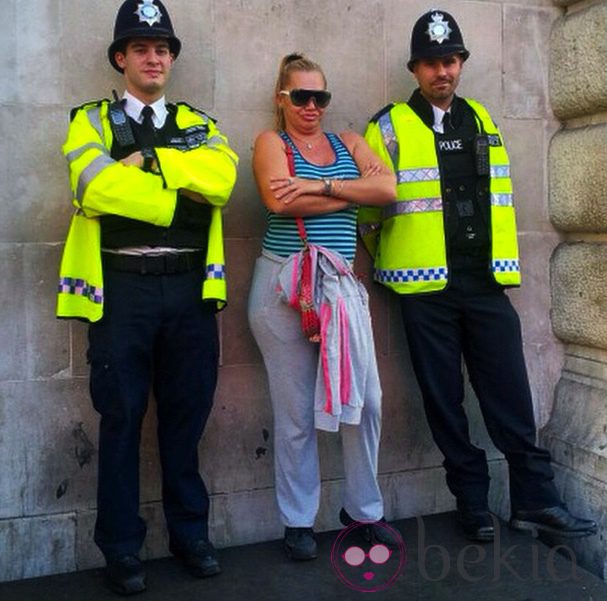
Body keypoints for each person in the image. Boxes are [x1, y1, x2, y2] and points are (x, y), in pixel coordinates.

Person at [360, 10, 597, 543]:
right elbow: (368, 216)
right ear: (415, 69)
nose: (442, 72)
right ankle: (472, 504)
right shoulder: (389, 126)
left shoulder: (482, 120)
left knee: (509, 393)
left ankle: (534, 502)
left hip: (485, 284)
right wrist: (398, 259)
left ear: (460, 63)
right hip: (425, 290)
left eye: (450, 60)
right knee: (443, 401)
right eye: (431, 63)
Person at [56, 0, 238, 594]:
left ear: (171, 59)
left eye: (162, 48)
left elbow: (224, 179)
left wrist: (152, 161)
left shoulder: (198, 124)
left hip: (188, 289)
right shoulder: (91, 122)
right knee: (121, 419)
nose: (153, 57)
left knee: (186, 420)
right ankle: (121, 548)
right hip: (122, 291)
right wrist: (172, 194)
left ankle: (191, 536)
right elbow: (94, 185)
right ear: (121, 58)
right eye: (141, 48)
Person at [248, 53, 398, 560]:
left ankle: (363, 510)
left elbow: (389, 188)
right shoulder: (272, 142)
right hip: (282, 288)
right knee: (294, 415)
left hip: (338, 289)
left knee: (367, 402)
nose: (312, 106)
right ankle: (297, 520)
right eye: (301, 96)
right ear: (281, 98)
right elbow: (277, 201)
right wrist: (351, 195)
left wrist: (317, 184)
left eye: (320, 97)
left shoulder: (348, 143)